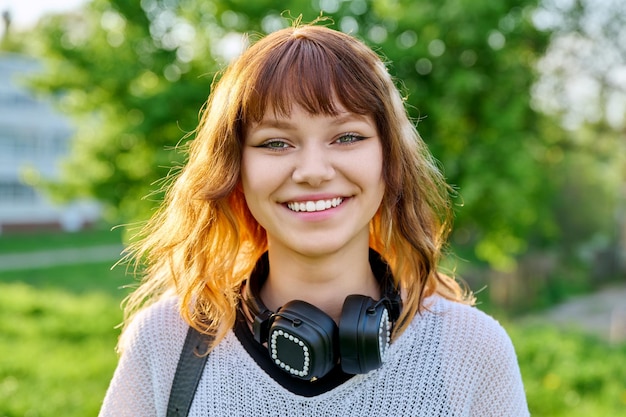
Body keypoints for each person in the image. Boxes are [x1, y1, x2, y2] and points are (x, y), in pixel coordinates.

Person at [99, 20, 529, 417]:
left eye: (347, 137)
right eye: (275, 143)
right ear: (234, 170)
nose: (313, 171)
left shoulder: (472, 351)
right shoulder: (166, 339)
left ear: (389, 161)